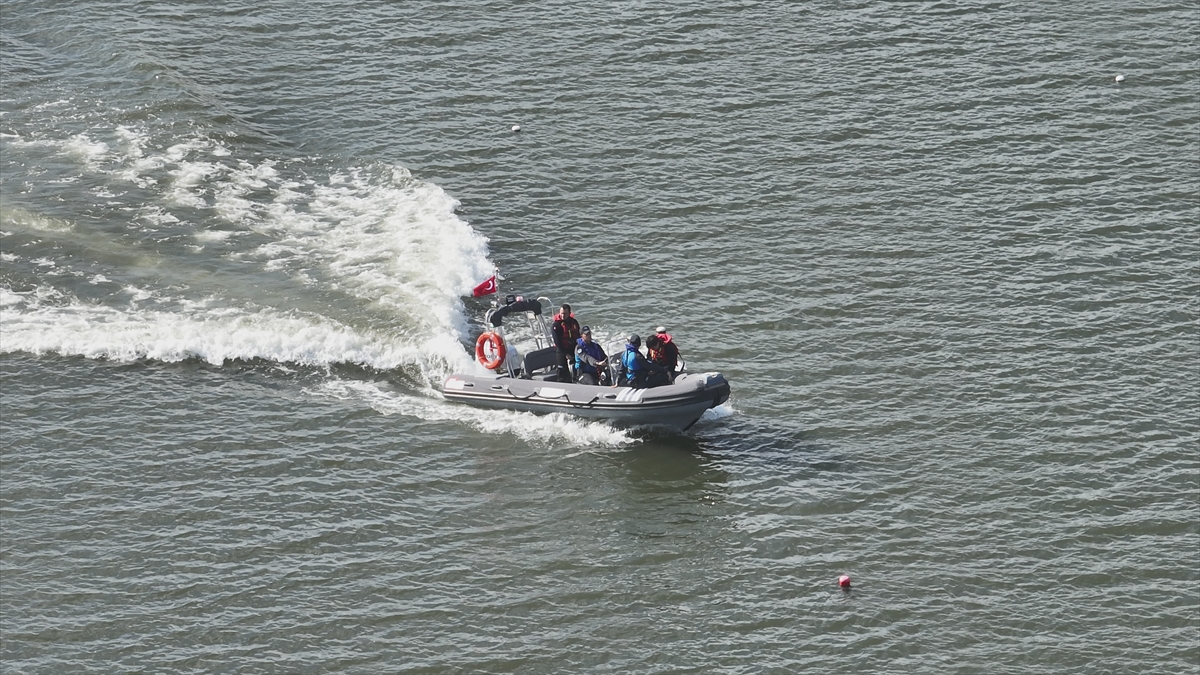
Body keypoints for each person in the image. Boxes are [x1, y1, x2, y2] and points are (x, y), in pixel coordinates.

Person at [551, 303, 581, 383]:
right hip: (561, 350)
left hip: (573, 348)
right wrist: (565, 354)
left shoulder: (574, 322)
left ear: (569, 313)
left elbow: (578, 335)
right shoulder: (556, 325)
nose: (563, 316)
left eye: (565, 314)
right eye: (561, 313)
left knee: (576, 368)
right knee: (562, 371)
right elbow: (557, 342)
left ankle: (575, 381)